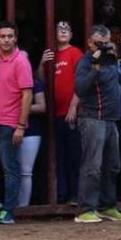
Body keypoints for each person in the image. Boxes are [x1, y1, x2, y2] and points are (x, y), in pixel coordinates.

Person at [0, 21, 33, 224]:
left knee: (10, 167)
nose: (6, 40)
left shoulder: (21, 62)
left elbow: (27, 95)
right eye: (3, 36)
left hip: (10, 122)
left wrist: (20, 126)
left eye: (10, 36)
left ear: (15, 38)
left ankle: (8, 211)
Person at [73, 25, 121, 224]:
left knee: (112, 166)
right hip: (92, 119)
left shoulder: (110, 60)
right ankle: (85, 210)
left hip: (111, 119)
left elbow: (119, 78)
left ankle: (108, 206)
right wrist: (95, 69)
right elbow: (79, 88)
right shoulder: (85, 62)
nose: (103, 46)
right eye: (99, 43)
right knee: (92, 166)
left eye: (105, 43)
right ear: (89, 42)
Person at [38, 21, 83, 205]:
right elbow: (40, 82)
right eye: (60, 29)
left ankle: (75, 194)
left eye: (67, 29)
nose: (63, 32)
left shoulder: (75, 53)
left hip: (72, 113)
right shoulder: (51, 55)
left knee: (74, 155)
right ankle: (61, 194)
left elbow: (81, 81)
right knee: (59, 155)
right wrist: (42, 64)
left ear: (72, 34)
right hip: (55, 113)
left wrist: (73, 106)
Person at [17, 73, 45, 207]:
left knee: (26, 171)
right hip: (8, 129)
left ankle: (23, 207)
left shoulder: (35, 83)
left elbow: (41, 106)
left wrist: (21, 108)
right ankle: (11, 205)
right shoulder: (5, 80)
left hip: (31, 132)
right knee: (10, 170)